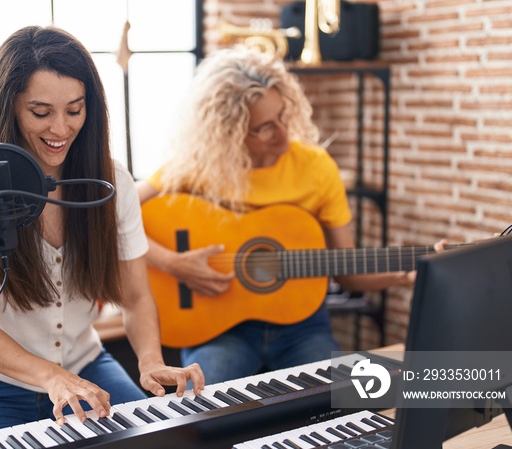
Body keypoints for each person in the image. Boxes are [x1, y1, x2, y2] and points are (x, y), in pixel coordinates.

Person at [0, 25, 204, 438]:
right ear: (8, 108)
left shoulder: (113, 181)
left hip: (85, 370)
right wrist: (51, 377)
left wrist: (150, 360)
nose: (60, 129)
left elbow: (134, 296)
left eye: (74, 110)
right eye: (40, 113)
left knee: (164, 446)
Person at [137, 47, 445, 384]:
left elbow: (348, 273)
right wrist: (172, 263)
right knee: (199, 412)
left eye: (283, 116)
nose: (283, 133)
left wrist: (406, 275)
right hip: (219, 331)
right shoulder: (199, 167)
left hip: (303, 328)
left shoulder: (317, 168)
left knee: (342, 402)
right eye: (265, 127)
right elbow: (114, 218)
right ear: (230, 130)